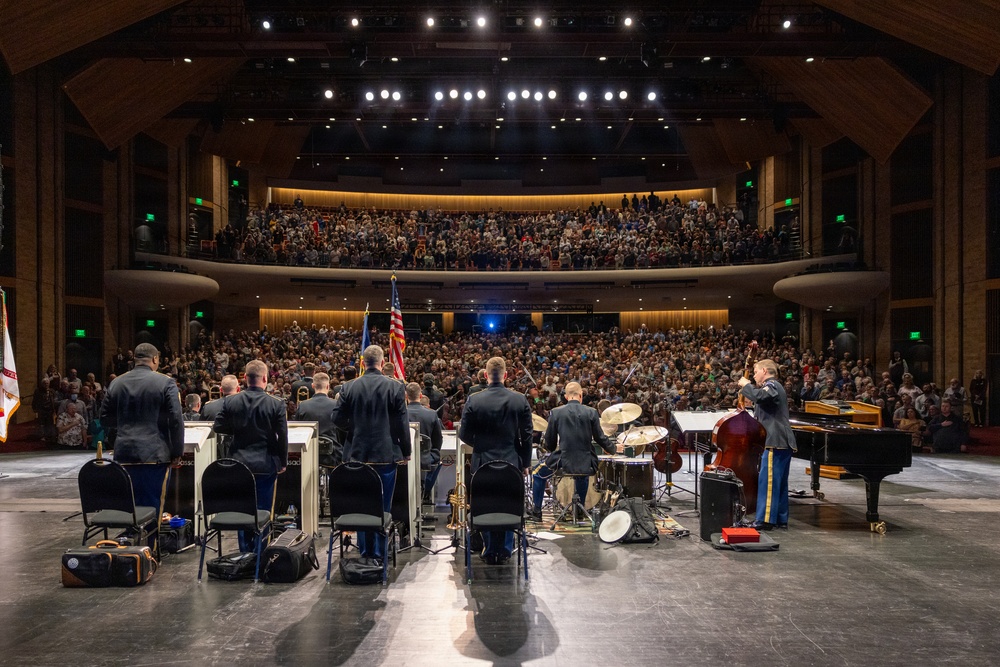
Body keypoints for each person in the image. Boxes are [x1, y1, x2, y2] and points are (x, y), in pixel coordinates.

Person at [331, 345, 410, 563]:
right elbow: (402, 423)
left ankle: (365, 551)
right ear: (382, 361)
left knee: (362, 503)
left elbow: (336, 418)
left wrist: (354, 429)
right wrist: (406, 450)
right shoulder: (395, 387)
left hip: (356, 454)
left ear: (363, 363)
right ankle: (379, 553)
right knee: (383, 505)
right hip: (386, 454)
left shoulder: (348, 387)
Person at [100, 343, 184, 546]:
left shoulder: (117, 383)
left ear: (135, 359)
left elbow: (104, 418)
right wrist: (177, 452)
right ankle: (149, 550)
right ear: (155, 359)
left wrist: (125, 427)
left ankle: (130, 549)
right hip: (154, 454)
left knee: (130, 504)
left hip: (124, 454)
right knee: (153, 505)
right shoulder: (166, 382)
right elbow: (175, 419)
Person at [459, 356, 533, 564]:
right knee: (509, 503)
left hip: (483, 461)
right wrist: (525, 462)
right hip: (511, 461)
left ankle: (490, 549)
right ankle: (506, 549)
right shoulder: (519, 399)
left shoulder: (474, 399)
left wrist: (481, 444)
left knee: (486, 504)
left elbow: (464, 434)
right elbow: (527, 435)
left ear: (485, 375)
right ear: (506, 375)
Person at [212, 360, 288, 552]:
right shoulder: (276, 403)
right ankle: (260, 553)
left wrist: (238, 427)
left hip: (239, 464)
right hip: (265, 463)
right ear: (265, 378)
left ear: (244, 378)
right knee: (263, 511)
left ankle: (245, 552)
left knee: (242, 510)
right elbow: (282, 437)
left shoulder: (230, 401)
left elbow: (218, 426)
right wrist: (283, 462)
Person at [530, 382, 615, 521]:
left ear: (565, 396)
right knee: (582, 474)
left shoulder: (556, 412)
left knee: (537, 474)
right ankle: (579, 510)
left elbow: (550, 443)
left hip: (563, 459)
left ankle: (537, 512)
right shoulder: (591, 412)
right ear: (581, 396)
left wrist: (548, 448)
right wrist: (613, 448)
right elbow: (600, 438)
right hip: (586, 461)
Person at [738, 359, 797, 530]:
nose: (754, 375)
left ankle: (764, 520)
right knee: (779, 483)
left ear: (764, 370)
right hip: (780, 441)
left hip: (775, 441)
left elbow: (760, 396)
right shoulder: (774, 386)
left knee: (768, 482)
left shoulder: (772, 385)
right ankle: (779, 518)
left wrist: (746, 384)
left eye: (756, 372)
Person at [405, 382, 444, 504]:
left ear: (406, 396)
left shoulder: (400, 414)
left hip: (404, 459)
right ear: (420, 396)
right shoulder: (431, 414)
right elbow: (438, 440)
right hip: (426, 459)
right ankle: (425, 492)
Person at [295, 372, 341, 466]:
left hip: (308, 454)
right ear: (328, 386)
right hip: (333, 455)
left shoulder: (303, 405)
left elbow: (297, 431)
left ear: (313, 386)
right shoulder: (336, 405)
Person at [202, 374, 238, 457]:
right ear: (238, 389)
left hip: (211, 454)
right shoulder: (245, 407)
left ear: (221, 389)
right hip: (238, 454)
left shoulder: (208, 407)